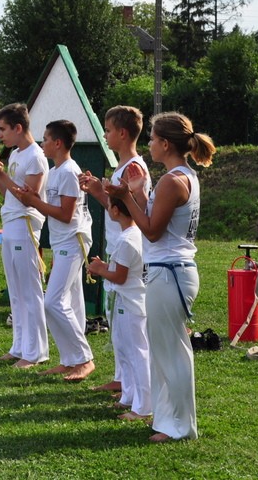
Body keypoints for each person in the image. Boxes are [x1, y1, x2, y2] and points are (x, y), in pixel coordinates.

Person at [105, 112, 215, 442]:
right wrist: (134, 194)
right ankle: (169, 421)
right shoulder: (181, 177)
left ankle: (180, 426)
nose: (149, 143)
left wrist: (125, 197)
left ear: (165, 144)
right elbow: (152, 219)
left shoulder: (172, 180)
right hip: (169, 271)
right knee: (165, 352)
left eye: (152, 138)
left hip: (169, 273)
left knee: (172, 353)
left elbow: (151, 232)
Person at [80, 105, 151, 394]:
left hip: (128, 247)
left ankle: (132, 384)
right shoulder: (122, 167)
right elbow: (116, 208)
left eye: (108, 130)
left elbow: (131, 209)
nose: (105, 136)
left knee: (127, 325)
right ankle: (123, 378)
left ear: (122, 133)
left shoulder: (135, 168)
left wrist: (103, 190)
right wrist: (97, 188)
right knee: (116, 322)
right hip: (118, 243)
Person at [17, 120, 95, 381]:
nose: (42, 144)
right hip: (63, 241)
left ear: (58, 143)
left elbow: (65, 214)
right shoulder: (56, 170)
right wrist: (33, 196)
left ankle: (84, 359)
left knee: (53, 302)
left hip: (73, 240)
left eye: (46, 139)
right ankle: (69, 359)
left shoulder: (69, 171)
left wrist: (34, 202)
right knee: (69, 301)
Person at [0, 102, 49, 369]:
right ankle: (19, 346)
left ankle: (36, 351)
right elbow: (7, 193)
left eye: (3, 129)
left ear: (18, 128)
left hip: (25, 223)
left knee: (30, 290)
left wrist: (2, 175)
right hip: (11, 222)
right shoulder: (17, 154)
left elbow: (29, 198)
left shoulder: (35, 156)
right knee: (16, 291)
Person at [87, 197, 150, 421]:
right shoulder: (136, 235)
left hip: (131, 302)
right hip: (128, 301)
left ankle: (144, 407)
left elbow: (120, 277)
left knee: (137, 354)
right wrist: (104, 267)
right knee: (124, 350)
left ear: (115, 210)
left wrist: (100, 270)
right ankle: (129, 396)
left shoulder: (127, 239)